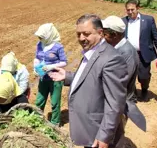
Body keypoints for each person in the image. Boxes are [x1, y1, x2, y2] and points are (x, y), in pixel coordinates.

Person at [49, 14, 128, 148]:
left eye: (86, 34)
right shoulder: (92, 51)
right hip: (90, 130)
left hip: (99, 132)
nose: (81, 38)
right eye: (78, 34)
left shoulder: (111, 59)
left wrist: (105, 135)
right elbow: (92, 78)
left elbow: (115, 103)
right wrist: (67, 76)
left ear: (100, 33)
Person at [102, 15, 147, 136]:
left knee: (114, 136)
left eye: (105, 34)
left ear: (115, 35)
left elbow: (121, 80)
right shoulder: (116, 48)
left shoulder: (126, 52)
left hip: (120, 103)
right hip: (113, 100)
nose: (102, 37)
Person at [122, 0, 157, 100]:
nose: (130, 12)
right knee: (129, 75)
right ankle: (132, 93)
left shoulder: (148, 20)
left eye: (132, 9)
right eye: (128, 10)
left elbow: (156, 37)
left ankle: (144, 89)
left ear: (138, 8)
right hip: (128, 54)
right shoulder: (123, 21)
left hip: (143, 53)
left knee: (144, 76)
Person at [33, 23, 67, 126]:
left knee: (55, 102)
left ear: (49, 35)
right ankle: (36, 119)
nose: (40, 38)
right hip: (43, 77)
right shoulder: (39, 44)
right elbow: (37, 57)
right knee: (39, 100)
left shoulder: (58, 47)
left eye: (42, 36)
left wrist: (51, 67)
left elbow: (64, 62)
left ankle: (55, 123)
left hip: (55, 79)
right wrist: (35, 67)